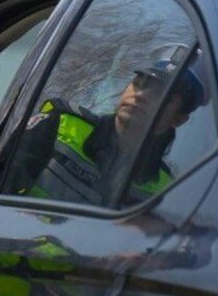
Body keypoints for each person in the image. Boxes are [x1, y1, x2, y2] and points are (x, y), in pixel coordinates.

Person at [18, 46, 208, 208]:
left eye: (162, 95)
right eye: (138, 83)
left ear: (179, 119)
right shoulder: (59, 123)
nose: (140, 95)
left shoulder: (167, 192)